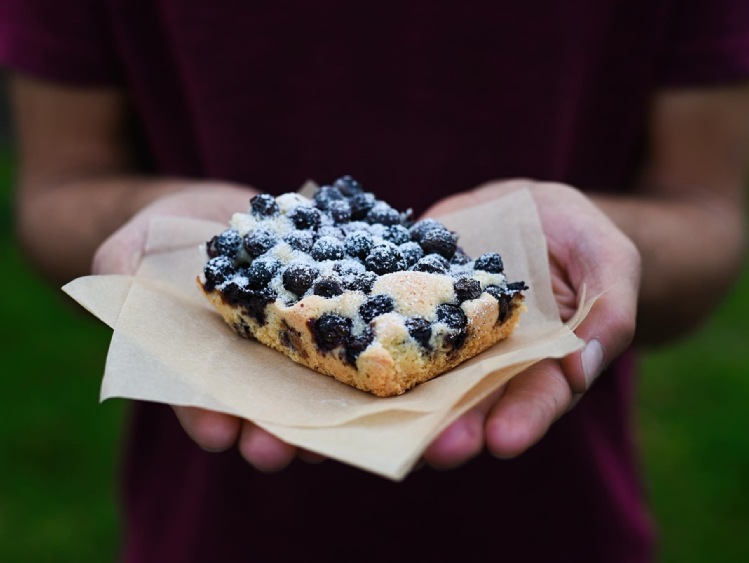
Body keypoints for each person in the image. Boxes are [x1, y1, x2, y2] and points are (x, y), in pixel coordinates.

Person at [1, 1, 748, 561]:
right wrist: (152, 227)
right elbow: (58, 183)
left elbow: (709, 208)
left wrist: (599, 252)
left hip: (561, 518)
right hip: (205, 524)